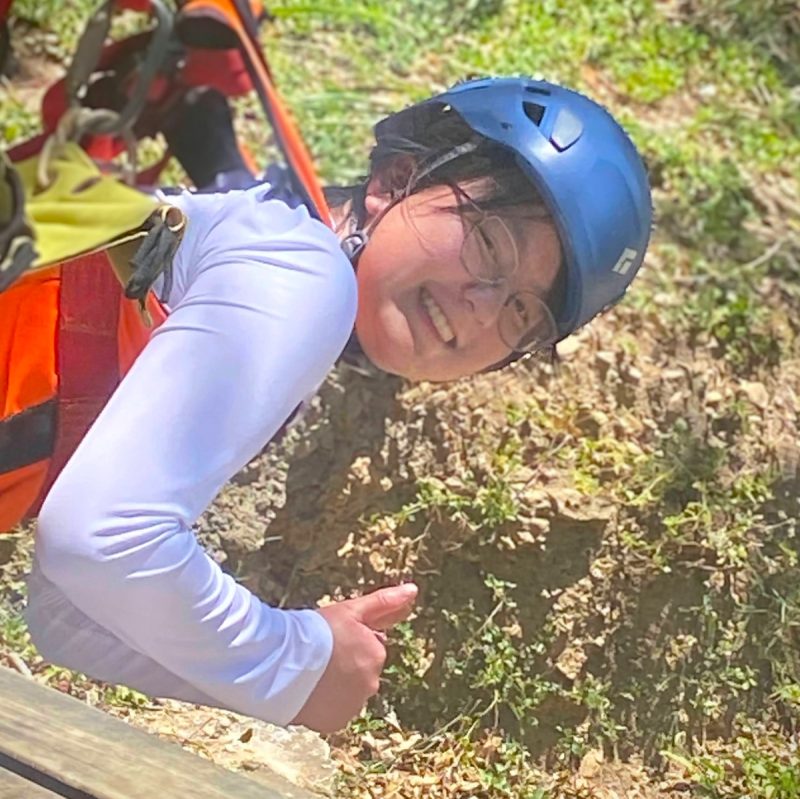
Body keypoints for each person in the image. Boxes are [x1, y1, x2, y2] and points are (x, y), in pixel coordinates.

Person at [4, 75, 651, 734]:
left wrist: (291, 681)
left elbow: (72, 613)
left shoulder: (252, 245)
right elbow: (101, 542)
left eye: (521, 313)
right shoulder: (303, 272)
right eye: (491, 244)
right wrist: (297, 660)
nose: (481, 308)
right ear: (394, 181)